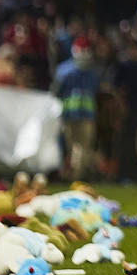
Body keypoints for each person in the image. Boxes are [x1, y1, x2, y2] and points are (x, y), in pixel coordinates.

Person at [51, 36, 101, 181]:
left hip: (74, 115)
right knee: (79, 148)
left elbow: (55, 91)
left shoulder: (65, 70)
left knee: (77, 148)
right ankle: (76, 177)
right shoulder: (90, 72)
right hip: (79, 115)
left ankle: (75, 177)